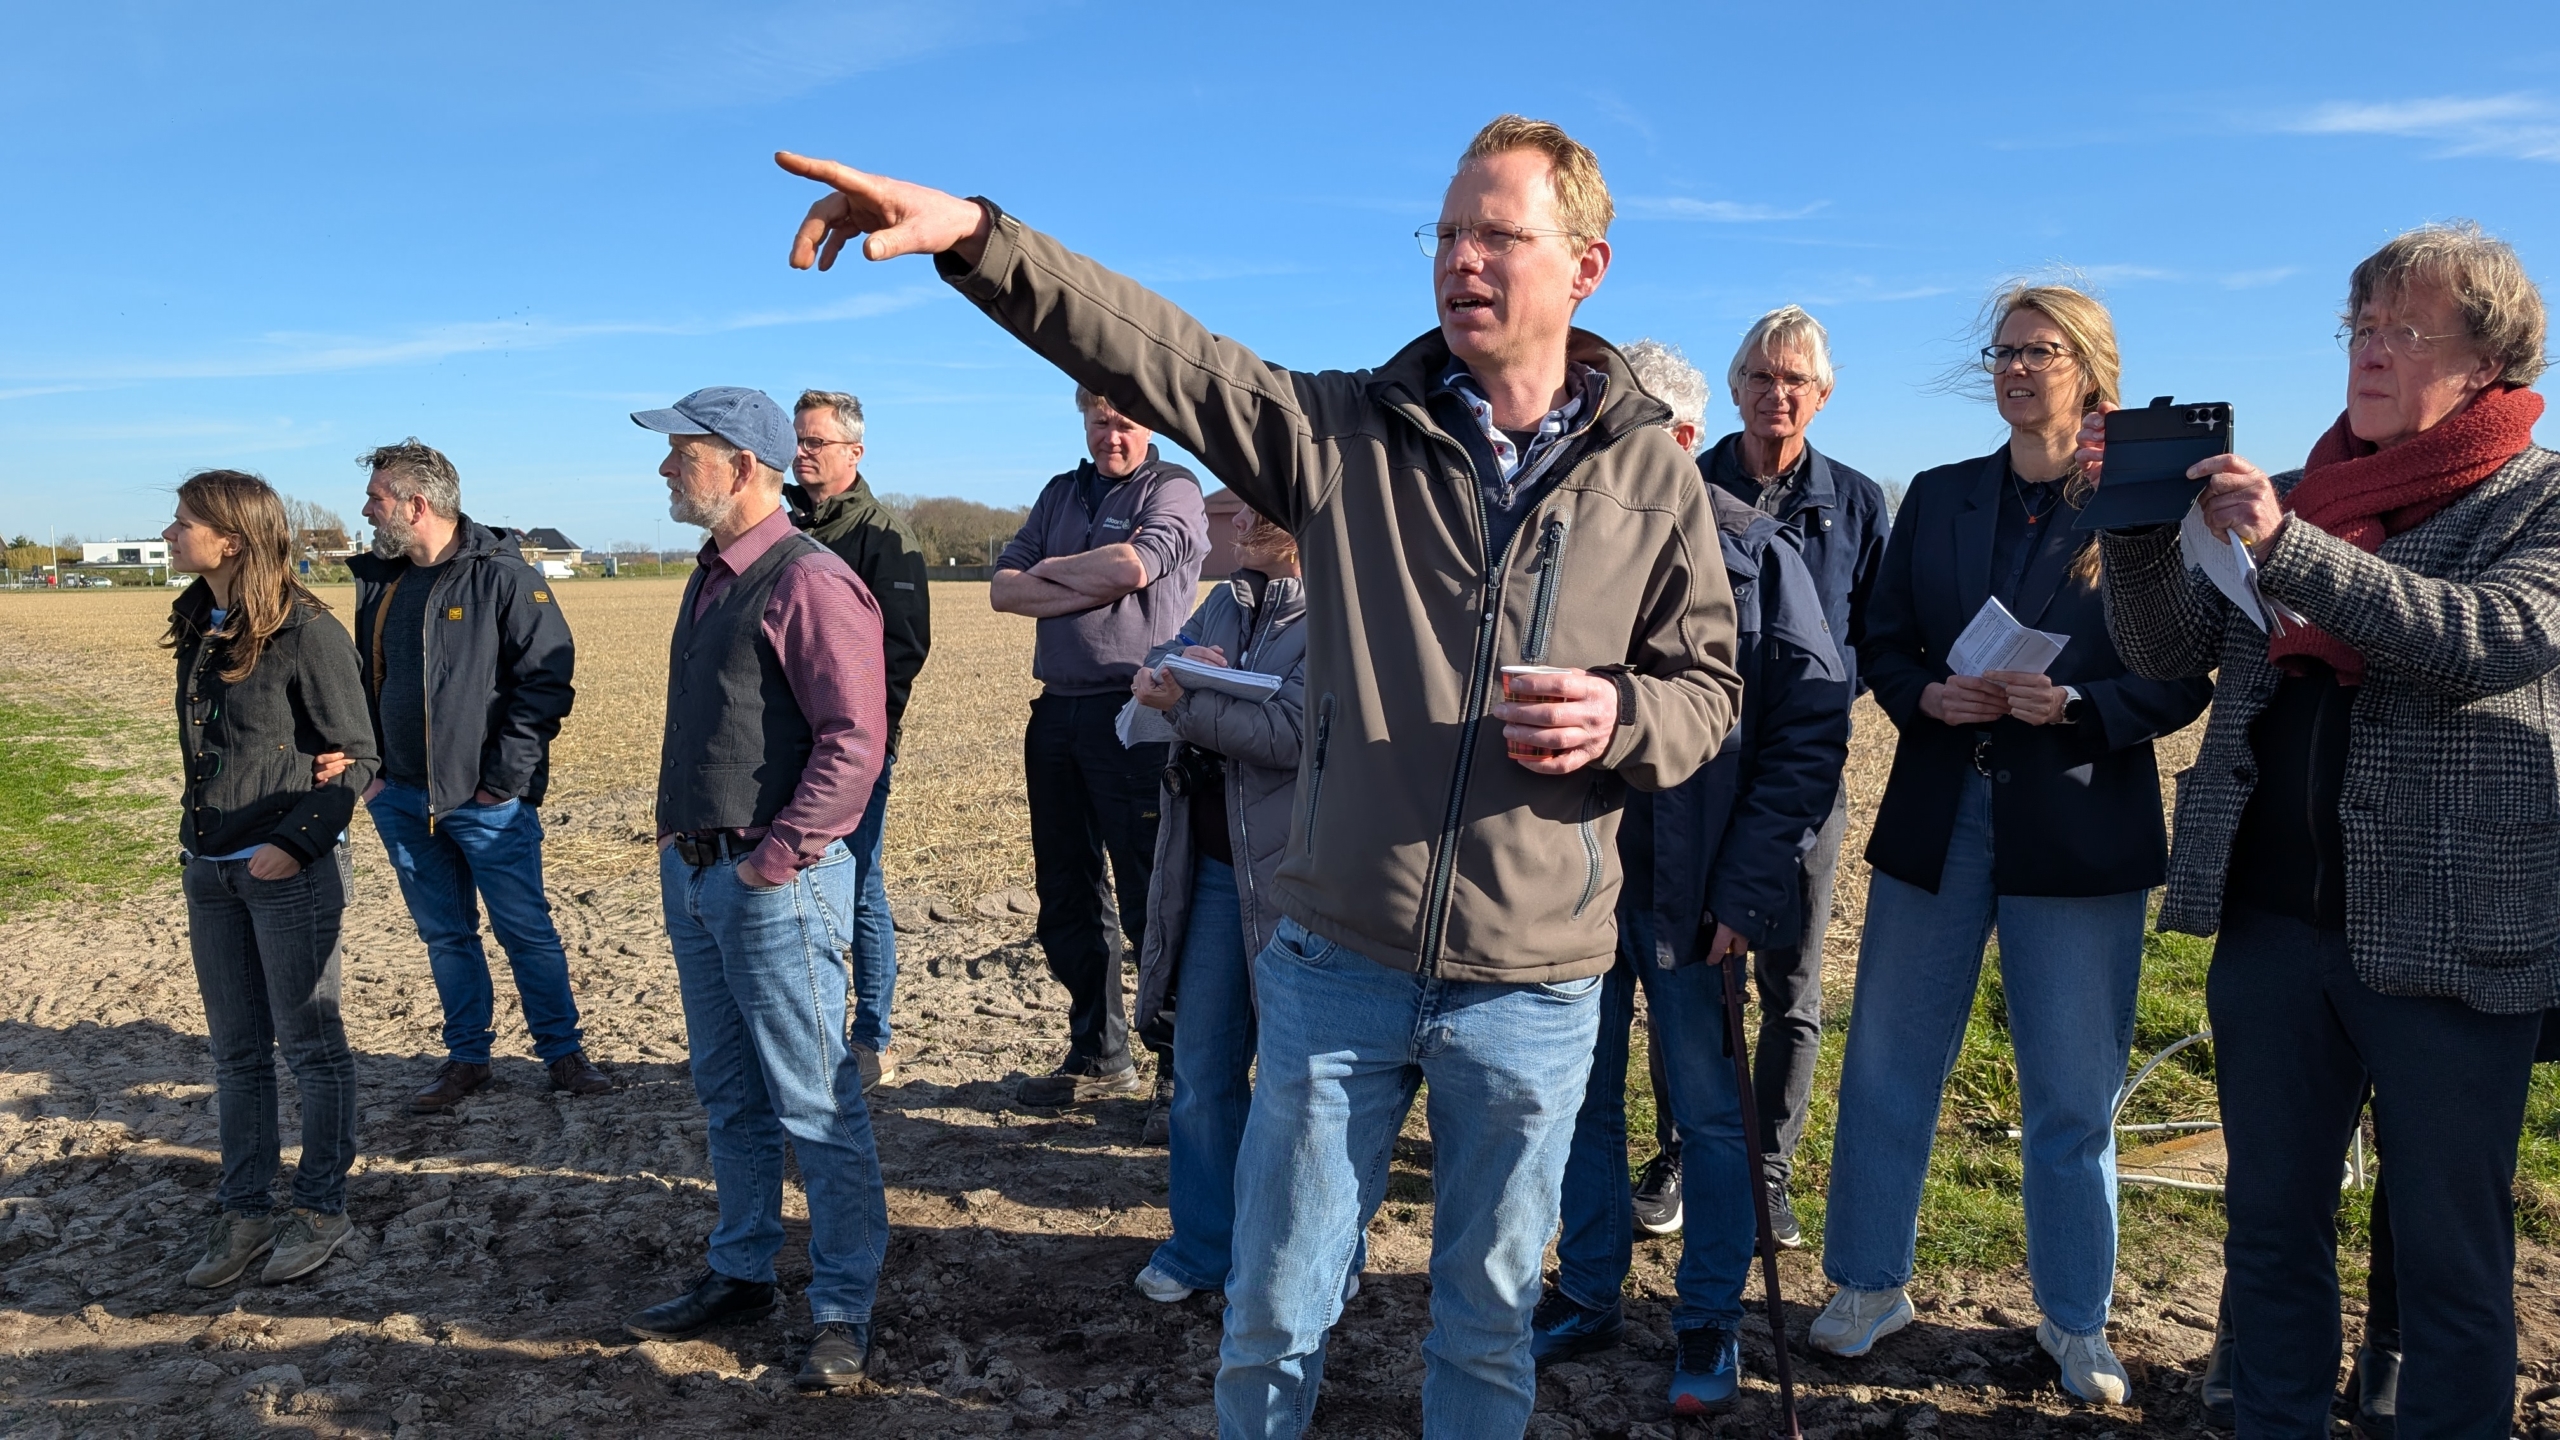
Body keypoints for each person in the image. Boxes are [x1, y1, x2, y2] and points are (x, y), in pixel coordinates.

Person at [777, 112, 1744, 1440]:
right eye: (1447, 232)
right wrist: (982, 239)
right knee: (1276, 1312)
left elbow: (1707, 692)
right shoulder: (1348, 433)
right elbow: (1168, 359)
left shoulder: (1650, 474)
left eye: (1498, 235)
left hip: (1534, 980)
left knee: (1484, 1324)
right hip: (1337, 952)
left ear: (1587, 265)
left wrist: (1624, 714)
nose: (1462, 259)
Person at [2094, 222, 2560, 1437]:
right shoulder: (2301, 491)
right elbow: (2162, 652)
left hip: (2451, 938)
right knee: (2268, 1231)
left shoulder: (2541, 495)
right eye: (2361, 325)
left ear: (2491, 358)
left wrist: (2290, 548)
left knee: (2455, 1257)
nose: (2371, 349)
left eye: (2407, 329)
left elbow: (2485, 640)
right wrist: (2138, 526)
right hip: (2275, 922)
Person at [1810, 285, 2211, 1404]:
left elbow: (2181, 678)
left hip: (2078, 822)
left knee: (2071, 1090)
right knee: (1888, 1062)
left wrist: (2078, 707)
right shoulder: (1937, 499)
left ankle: (2075, 1318)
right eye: (2003, 351)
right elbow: (1880, 639)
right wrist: (1924, 697)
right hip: (1943, 814)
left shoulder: (2142, 509)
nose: (2017, 368)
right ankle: (1865, 1283)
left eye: (2040, 351)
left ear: (2089, 367)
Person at [1533, 339, 1851, 1415]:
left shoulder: (1759, 558)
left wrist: (1744, 891)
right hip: (1570, 892)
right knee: (1578, 1108)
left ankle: (1708, 1321)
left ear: (1674, 441)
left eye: (1608, 433)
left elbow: (1809, 737)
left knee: (1712, 1118)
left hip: (1695, 898)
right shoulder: (1561, 550)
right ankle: (1585, 1291)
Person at [618, 386, 893, 1392]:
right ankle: (741, 1269)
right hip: (697, 874)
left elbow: (855, 743)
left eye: (681, 453)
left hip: (771, 885)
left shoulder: (808, 580)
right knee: (729, 1094)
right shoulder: (710, 575)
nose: (663, 470)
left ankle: (841, 1305)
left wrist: (771, 861)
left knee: (817, 1104)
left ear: (744, 463)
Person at [1686, 305, 1891, 1246]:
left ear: (1825, 394)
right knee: (1692, 976)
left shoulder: (1854, 502)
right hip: (1692, 770)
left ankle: (1768, 1166)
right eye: (1761, 378)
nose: (1778, 396)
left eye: (1795, 381)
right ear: (1735, 389)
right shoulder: (1683, 489)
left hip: (1806, 773)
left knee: (1793, 984)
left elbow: (1878, 634)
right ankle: (1689, 1151)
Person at [343, 439, 609, 1110]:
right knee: (445, 935)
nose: (367, 510)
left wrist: (503, 781)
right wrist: (371, 778)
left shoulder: (504, 577)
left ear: (417, 504)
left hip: (486, 803)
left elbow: (547, 682)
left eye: (377, 498)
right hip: (399, 798)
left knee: (524, 929)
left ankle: (563, 1054)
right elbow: (364, 679)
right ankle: (468, 1059)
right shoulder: (386, 579)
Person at [161, 470, 379, 1289]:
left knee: (312, 1047)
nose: (171, 531)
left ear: (234, 538)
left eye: (186, 521)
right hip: (210, 871)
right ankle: (245, 1208)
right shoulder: (197, 619)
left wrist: (294, 843)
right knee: (237, 1052)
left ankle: (321, 1204)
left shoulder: (307, 629)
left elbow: (359, 755)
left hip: (286, 872)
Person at [990, 389, 1208, 1110]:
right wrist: (1080, 574)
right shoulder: (1060, 491)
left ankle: (1179, 1066)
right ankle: (1097, 1051)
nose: (1112, 435)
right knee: (1067, 892)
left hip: (1137, 713)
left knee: (1152, 892)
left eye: (1126, 422)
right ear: (1082, 419)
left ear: (1152, 424)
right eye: (1099, 421)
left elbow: (1133, 569)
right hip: (1056, 712)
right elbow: (1001, 590)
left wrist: (1048, 576)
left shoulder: (1173, 488)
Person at [1124, 503, 1310, 1303]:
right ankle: (1203, 1244)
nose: (1244, 518)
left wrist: (1185, 705)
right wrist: (1167, 671)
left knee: (1302, 1084)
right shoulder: (1225, 599)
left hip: (1299, 880)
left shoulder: (1344, 608)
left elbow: (1296, 733)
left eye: (1265, 504)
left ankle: (1303, 1254)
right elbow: (1161, 667)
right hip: (1204, 868)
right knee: (1202, 1068)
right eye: (1237, 505)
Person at [786, 389, 933, 1093]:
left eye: (818, 442)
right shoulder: (785, 526)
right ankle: (810, 1035)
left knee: (861, 889)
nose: (804, 453)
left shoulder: (881, 533)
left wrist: (860, 735)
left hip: (853, 747)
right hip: (784, 746)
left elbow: (901, 651)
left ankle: (872, 1037)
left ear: (855, 452)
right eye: (800, 440)